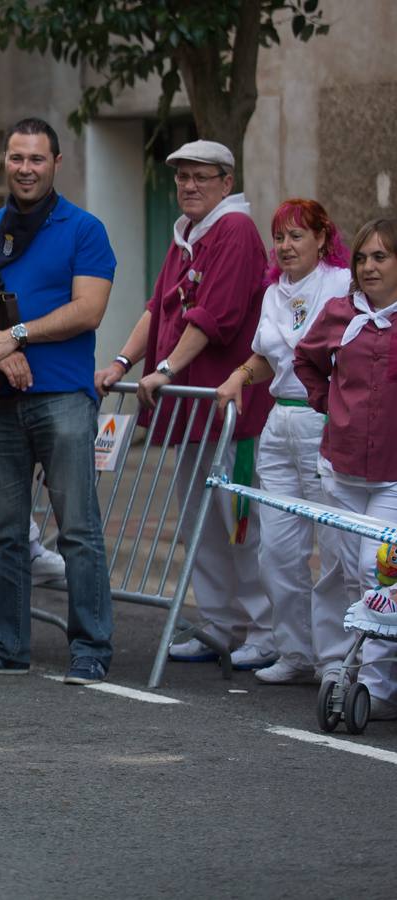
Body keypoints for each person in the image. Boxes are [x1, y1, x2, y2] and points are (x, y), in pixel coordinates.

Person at [0, 118, 117, 685]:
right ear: (5, 162)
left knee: (79, 530)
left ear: (56, 163)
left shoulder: (84, 229)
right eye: (17, 158)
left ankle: (90, 649)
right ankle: (5, 646)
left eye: (36, 159)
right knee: (4, 533)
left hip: (63, 398)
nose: (25, 168)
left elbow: (88, 311)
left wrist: (15, 337)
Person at [99, 140, 273, 671]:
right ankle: (219, 625)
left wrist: (167, 369)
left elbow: (213, 316)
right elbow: (159, 308)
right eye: (182, 178)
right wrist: (123, 363)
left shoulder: (235, 231)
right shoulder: (187, 236)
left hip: (233, 413)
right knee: (201, 523)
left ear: (226, 181)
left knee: (242, 522)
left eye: (201, 177)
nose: (189, 186)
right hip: (194, 410)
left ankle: (266, 632)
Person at [214, 199, 354, 685]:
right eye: (279, 237)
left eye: (297, 235)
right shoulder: (274, 292)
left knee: (336, 550)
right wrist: (237, 376)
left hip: (325, 423)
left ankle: (337, 658)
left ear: (322, 238)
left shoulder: (342, 284)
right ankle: (296, 652)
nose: (286, 246)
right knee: (276, 550)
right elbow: (266, 359)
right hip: (279, 427)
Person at [295, 217, 397, 719]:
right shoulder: (341, 313)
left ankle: (378, 688)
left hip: (392, 476)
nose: (369, 266)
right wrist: (326, 403)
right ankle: (351, 672)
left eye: (381, 257)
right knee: (350, 578)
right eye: (362, 258)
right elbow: (305, 360)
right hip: (342, 469)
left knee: (377, 577)